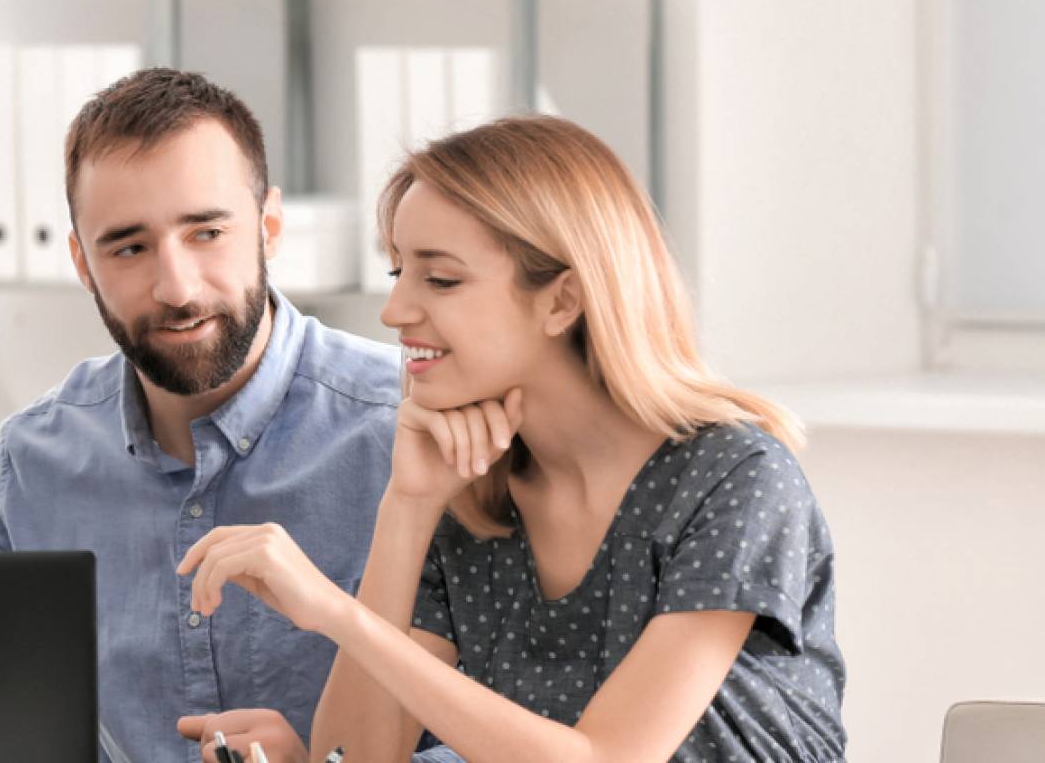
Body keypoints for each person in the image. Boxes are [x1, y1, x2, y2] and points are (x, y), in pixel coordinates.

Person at [179, 116, 847, 762]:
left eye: (440, 278)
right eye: (398, 272)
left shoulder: (736, 479)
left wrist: (333, 612)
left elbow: (607, 759)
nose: (395, 311)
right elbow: (353, 758)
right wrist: (407, 509)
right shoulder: (470, 496)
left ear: (563, 301)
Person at [0, 69, 402, 762]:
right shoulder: (29, 469)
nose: (176, 288)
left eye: (207, 232)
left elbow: (511, 733)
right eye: (129, 247)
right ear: (82, 262)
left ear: (270, 227)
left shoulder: (406, 438)